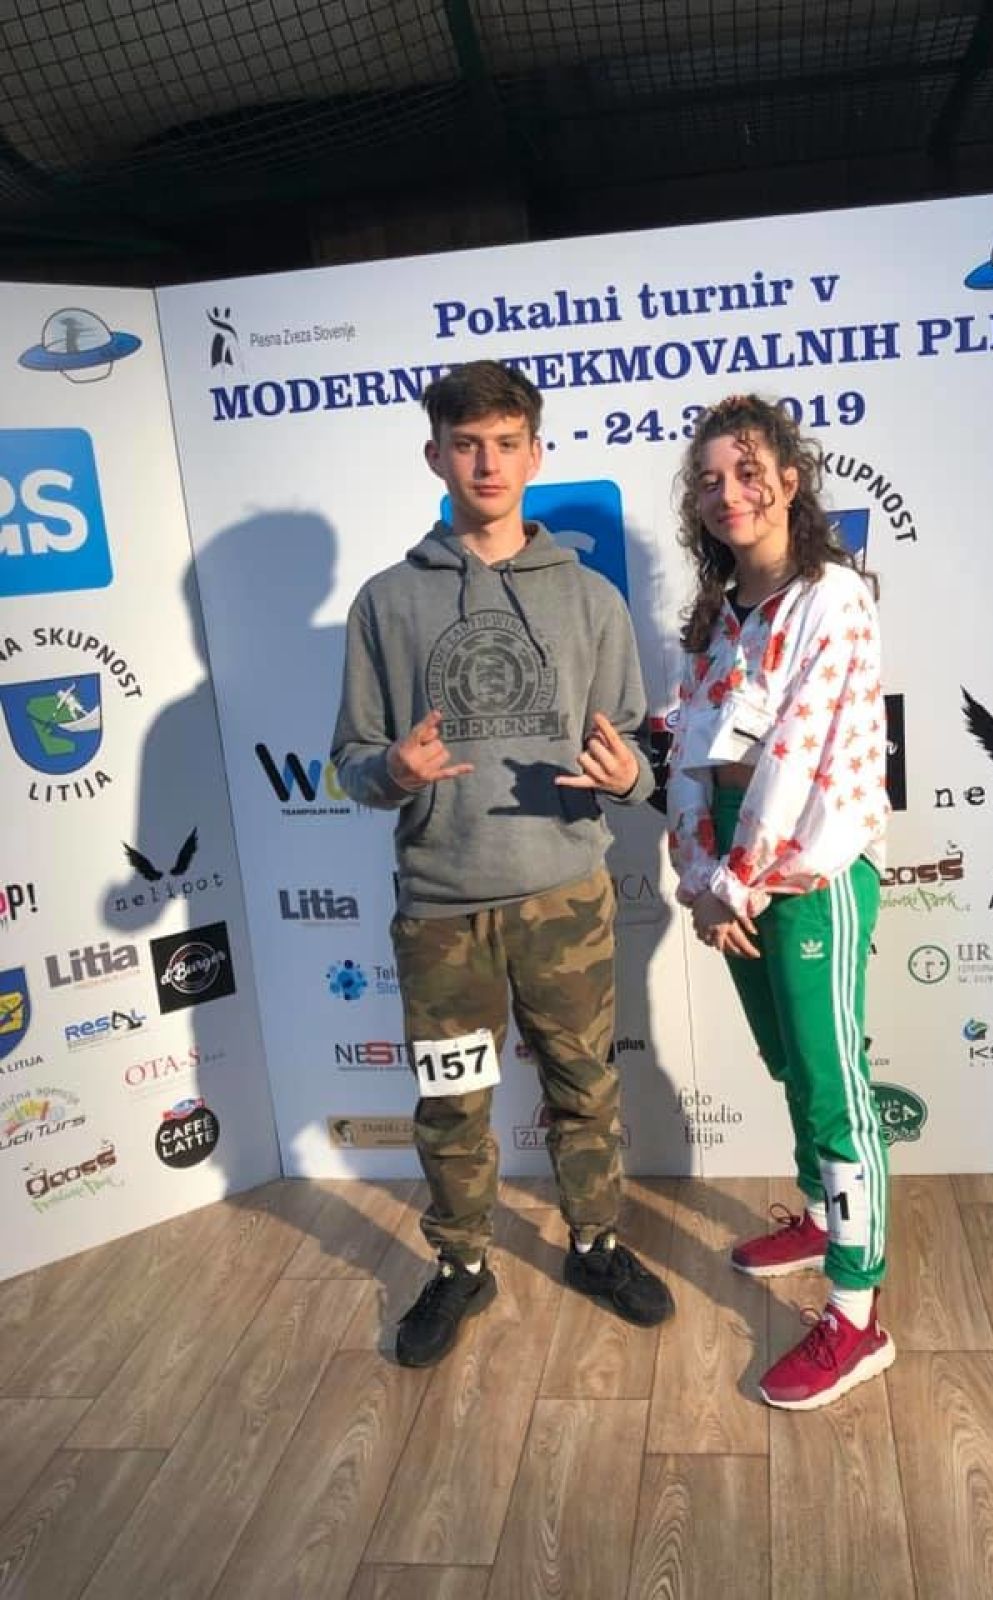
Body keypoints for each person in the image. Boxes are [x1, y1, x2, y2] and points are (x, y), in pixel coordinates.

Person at [332, 360, 674, 1367]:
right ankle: (462, 1263)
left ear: (535, 453)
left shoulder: (591, 598)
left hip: (565, 897)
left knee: (585, 1089)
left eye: (506, 443)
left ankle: (596, 1243)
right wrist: (393, 770)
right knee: (453, 1103)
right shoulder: (385, 602)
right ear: (435, 455)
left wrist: (628, 775)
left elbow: (637, 747)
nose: (487, 462)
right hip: (442, 911)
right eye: (467, 444)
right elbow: (350, 760)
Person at [666, 393, 892, 1410]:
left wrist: (736, 881)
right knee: (788, 1065)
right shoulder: (717, 616)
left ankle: (856, 1315)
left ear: (790, 482)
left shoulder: (831, 597)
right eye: (710, 480)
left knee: (834, 1085)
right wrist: (698, 875)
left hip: (806, 874)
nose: (729, 494)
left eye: (749, 473)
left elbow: (800, 756)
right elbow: (690, 750)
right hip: (732, 876)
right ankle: (815, 1214)